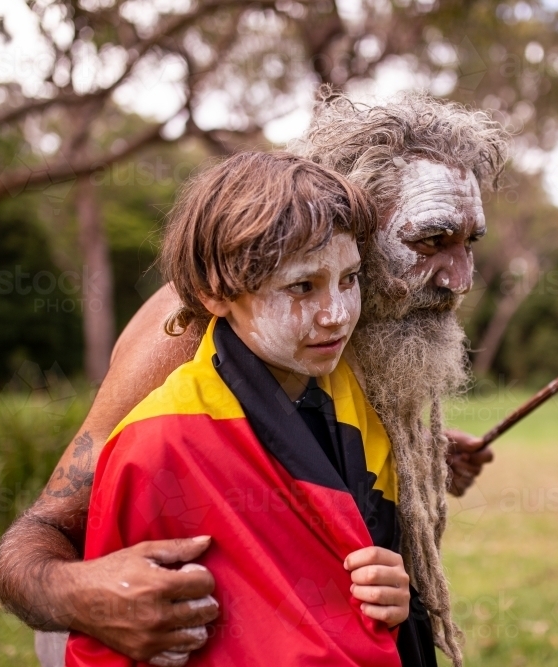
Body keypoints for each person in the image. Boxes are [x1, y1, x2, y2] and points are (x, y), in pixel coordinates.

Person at [0, 91, 509, 667]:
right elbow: (38, 536)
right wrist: (86, 595)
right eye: (431, 240)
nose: (461, 279)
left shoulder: (348, 321)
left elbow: (294, 447)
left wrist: (420, 456)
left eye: (470, 243)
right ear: (353, 220)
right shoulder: (189, 330)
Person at [66, 150, 436, 666]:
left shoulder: (357, 410)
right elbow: (106, 642)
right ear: (214, 292)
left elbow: (360, 569)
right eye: (303, 286)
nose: (336, 315)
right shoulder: (157, 444)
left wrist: (393, 596)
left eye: (349, 280)